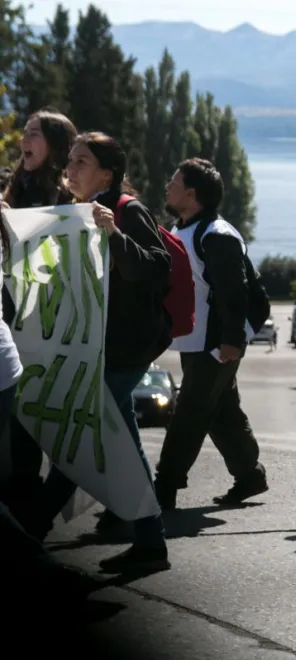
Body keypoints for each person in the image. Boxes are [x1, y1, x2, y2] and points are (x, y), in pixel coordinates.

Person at [30, 133, 173, 573]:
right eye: (70, 161)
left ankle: (29, 530)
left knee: (79, 435)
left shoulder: (127, 210)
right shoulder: (73, 212)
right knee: (115, 440)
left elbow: (157, 268)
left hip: (124, 350)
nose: (70, 169)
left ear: (107, 175)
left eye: (81, 162)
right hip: (94, 347)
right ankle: (150, 542)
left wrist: (112, 232)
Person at [155, 158, 268, 511]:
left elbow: (235, 292)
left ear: (191, 194)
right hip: (194, 340)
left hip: (216, 342)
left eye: (174, 183)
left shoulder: (217, 235)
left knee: (190, 410)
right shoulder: (180, 230)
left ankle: (164, 486)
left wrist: (232, 340)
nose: (168, 187)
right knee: (221, 411)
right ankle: (250, 475)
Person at [0, 109, 77, 519]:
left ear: (55, 145)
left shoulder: (67, 198)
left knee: (52, 418)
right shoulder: (13, 189)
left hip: (52, 323)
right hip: (13, 318)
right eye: (24, 133)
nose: (24, 141)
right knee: (20, 419)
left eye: (34, 134)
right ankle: (25, 500)